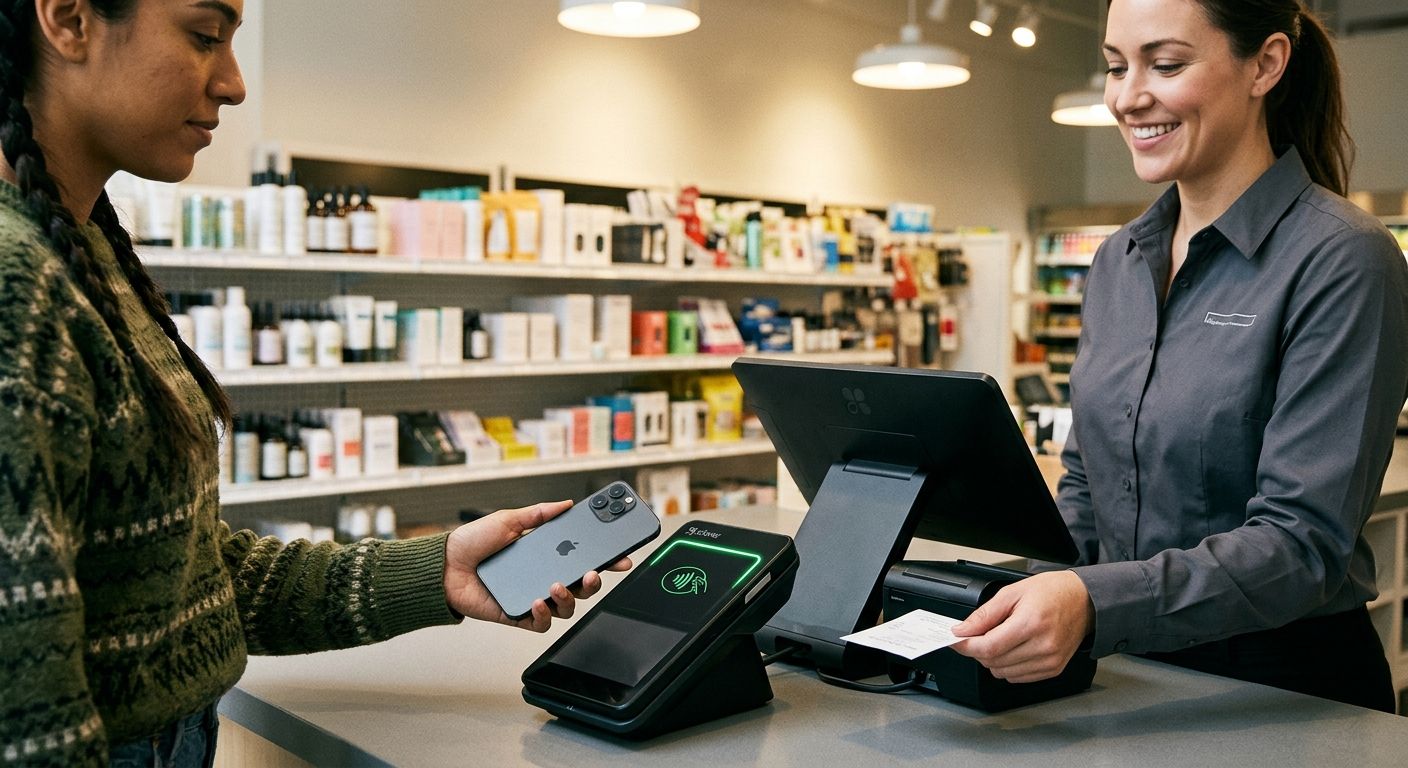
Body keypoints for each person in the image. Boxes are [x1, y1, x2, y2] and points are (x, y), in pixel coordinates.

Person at [0, 1, 629, 765]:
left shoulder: (81, 247)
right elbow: (24, 704)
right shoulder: (15, 283)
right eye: (205, 36)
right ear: (69, 19)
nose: (233, 83)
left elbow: (186, 577)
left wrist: (440, 569)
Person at [952, 0, 1408, 712]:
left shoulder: (1342, 259)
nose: (1129, 96)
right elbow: (1086, 482)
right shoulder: (1118, 260)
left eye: (1165, 64)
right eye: (1114, 66)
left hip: (1284, 695)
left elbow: (1302, 544)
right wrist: (1008, 597)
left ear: (1266, 64)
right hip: (1122, 673)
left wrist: (1094, 600)